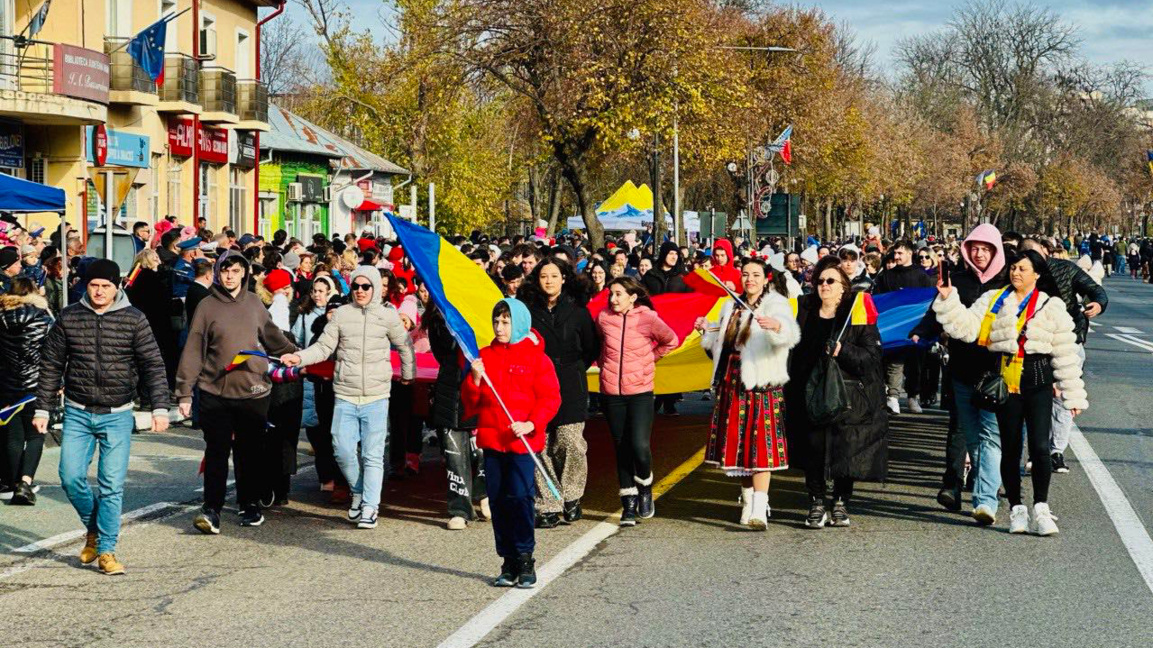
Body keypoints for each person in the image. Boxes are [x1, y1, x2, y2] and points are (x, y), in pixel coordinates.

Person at [932, 249, 1086, 535]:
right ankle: (1016, 508)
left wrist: (1072, 394)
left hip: (1038, 381)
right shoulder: (993, 299)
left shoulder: (1050, 305)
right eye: (1013, 268)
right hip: (1006, 383)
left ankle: (1041, 507)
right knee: (1011, 449)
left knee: (1040, 447)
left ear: (1037, 274)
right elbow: (965, 329)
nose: (1016, 273)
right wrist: (947, 298)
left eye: (1023, 269)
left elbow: (1065, 352)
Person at [33, 260, 170, 575]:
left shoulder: (134, 319)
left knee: (111, 485)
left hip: (118, 414)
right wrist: (42, 408)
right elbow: (51, 364)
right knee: (69, 477)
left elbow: (152, 364)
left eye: (105, 286)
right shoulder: (70, 317)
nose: (98, 291)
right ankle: (93, 528)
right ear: (86, 285)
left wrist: (159, 407)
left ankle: (107, 550)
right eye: (94, 285)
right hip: (78, 412)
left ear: (116, 287)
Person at [281, 266, 416, 530]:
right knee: (342, 451)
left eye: (366, 286)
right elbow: (323, 347)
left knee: (373, 454)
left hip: (377, 395)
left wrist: (408, 374)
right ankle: (357, 491)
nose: (361, 291)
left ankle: (370, 506)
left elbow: (404, 345)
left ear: (376, 287)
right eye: (356, 286)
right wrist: (298, 358)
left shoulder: (388, 316)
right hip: (345, 393)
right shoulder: (341, 315)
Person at [176, 251, 297, 533]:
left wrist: (298, 356)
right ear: (218, 273)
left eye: (235, 271)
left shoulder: (255, 303)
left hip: (253, 393)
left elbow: (274, 338)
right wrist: (184, 391)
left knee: (249, 453)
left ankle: (249, 504)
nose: (230, 276)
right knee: (216, 451)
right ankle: (211, 510)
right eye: (225, 271)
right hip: (214, 392)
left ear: (244, 273)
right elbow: (194, 349)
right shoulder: (206, 306)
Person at [462, 298, 561, 589]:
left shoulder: (537, 358)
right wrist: (475, 380)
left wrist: (531, 423)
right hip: (492, 441)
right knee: (498, 501)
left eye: (505, 321)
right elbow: (470, 405)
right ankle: (507, 560)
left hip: (521, 444)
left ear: (518, 323)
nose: (499, 326)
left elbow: (550, 398)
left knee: (520, 499)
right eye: (496, 321)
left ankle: (525, 557)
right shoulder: (484, 356)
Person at [911, 224, 1008, 521]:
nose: (979, 254)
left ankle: (985, 497)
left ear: (996, 252)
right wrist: (921, 332)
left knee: (990, 434)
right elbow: (936, 311)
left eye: (985, 249)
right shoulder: (957, 281)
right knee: (964, 431)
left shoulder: (1007, 284)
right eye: (974, 248)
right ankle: (958, 483)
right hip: (962, 367)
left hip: (996, 371)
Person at [698, 259, 800, 528]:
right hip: (732, 381)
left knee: (761, 448)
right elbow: (718, 345)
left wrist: (777, 328)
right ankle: (747, 501)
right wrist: (706, 332)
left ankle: (759, 507)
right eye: (745, 274)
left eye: (756, 275)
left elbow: (790, 336)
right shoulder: (730, 304)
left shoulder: (776, 304)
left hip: (761, 383)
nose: (750, 279)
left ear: (766, 278)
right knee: (740, 447)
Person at [787, 256, 887, 529]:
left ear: (844, 286)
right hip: (810, 391)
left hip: (848, 393)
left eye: (831, 281)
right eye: (820, 281)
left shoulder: (857, 312)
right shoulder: (803, 310)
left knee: (846, 449)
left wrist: (844, 351)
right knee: (813, 449)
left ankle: (841, 501)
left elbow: (872, 355)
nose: (824, 286)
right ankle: (817, 501)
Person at [517, 258, 600, 528]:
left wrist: (573, 369)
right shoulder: (527, 312)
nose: (549, 281)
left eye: (554, 275)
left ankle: (572, 496)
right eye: (544, 276)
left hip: (570, 383)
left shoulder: (578, 311)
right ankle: (548, 503)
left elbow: (590, 348)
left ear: (564, 278)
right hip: (536, 385)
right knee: (540, 445)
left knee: (569, 442)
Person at [1020, 237, 1106, 475]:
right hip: (1032, 346)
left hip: (1069, 340)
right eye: (1025, 256)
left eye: (1036, 254)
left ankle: (1056, 452)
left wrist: (1098, 303)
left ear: (1046, 252)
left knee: (1062, 398)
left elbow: (1095, 290)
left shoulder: (1065, 270)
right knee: (1034, 398)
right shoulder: (1016, 276)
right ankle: (1035, 453)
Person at [597, 277, 678, 525]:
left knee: (639, 446)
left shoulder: (647, 317)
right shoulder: (603, 318)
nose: (613, 299)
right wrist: (603, 366)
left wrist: (648, 360)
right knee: (621, 446)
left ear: (632, 297)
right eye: (611, 294)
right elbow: (599, 347)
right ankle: (628, 504)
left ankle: (645, 486)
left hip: (641, 392)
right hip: (611, 393)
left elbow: (670, 340)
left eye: (619, 294)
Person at [426, 302, 490, 530]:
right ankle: (459, 509)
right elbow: (441, 353)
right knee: (454, 455)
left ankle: (485, 493)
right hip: (450, 390)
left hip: (482, 386)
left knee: (482, 450)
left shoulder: (483, 311)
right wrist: (449, 323)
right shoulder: (436, 319)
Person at [0, 277, 53, 504]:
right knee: (35, 434)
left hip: (5, 384)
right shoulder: (43, 318)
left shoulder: (1, 317)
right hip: (37, 383)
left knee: (12, 436)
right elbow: (53, 353)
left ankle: (11, 483)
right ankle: (25, 481)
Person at [291, 276, 341, 494]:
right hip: (312, 377)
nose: (318, 295)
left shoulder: (341, 315)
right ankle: (326, 475)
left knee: (335, 431)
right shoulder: (304, 316)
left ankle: (337, 476)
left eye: (322, 290)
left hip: (337, 382)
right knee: (315, 427)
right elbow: (296, 341)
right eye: (315, 291)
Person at [872, 239, 934, 414]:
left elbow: (928, 301)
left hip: (916, 328)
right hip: (894, 327)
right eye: (895, 253)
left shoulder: (922, 276)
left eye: (900, 253)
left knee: (916, 363)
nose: (896, 256)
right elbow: (879, 300)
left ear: (909, 253)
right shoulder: (886, 276)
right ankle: (893, 396)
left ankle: (913, 396)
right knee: (894, 362)